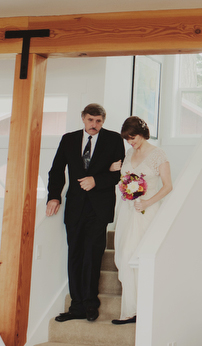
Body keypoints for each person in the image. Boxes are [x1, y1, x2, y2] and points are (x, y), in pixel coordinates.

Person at [46, 103, 125, 322]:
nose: (94, 125)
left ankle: (91, 304)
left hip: (99, 208)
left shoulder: (114, 140)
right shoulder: (68, 139)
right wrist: (54, 196)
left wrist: (96, 180)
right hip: (75, 207)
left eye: (99, 121)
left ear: (103, 121)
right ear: (83, 118)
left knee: (92, 256)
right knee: (75, 256)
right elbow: (56, 170)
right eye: (90, 120)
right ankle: (76, 306)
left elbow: (121, 174)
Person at [110, 116, 173, 325]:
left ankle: (144, 310)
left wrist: (146, 203)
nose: (131, 142)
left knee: (139, 259)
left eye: (133, 137)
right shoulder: (129, 153)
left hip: (147, 211)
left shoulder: (158, 154)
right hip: (129, 212)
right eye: (127, 139)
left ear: (142, 133)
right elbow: (124, 179)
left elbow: (168, 186)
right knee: (125, 258)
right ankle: (131, 310)